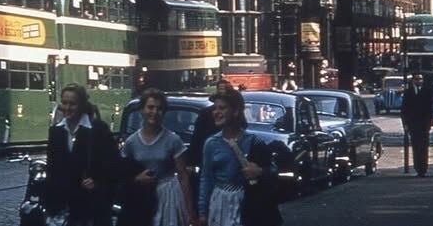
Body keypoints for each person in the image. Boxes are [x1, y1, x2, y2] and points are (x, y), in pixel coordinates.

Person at [196, 88, 279, 226]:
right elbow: (206, 179)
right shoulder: (211, 143)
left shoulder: (253, 141)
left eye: (222, 108)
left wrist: (259, 172)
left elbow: (274, 170)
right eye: (215, 108)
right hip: (220, 203)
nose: (216, 112)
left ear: (235, 111)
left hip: (247, 204)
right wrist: (203, 213)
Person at [44, 83, 117, 226]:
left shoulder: (98, 130)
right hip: (65, 206)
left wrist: (97, 181)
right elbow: (52, 169)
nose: (67, 108)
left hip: (91, 205)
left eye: (72, 104)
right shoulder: (56, 132)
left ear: (82, 105)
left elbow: (113, 163)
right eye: (64, 103)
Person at [117, 88, 192, 226]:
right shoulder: (131, 142)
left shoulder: (173, 140)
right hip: (141, 198)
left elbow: (183, 176)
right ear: (142, 110)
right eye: (150, 107)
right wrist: (135, 178)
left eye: (159, 109)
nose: (154, 112)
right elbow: (122, 173)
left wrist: (189, 212)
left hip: (167, 197)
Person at [400, 72, 433, 177]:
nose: (420, 81)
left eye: (421, 79)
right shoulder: (408, 92)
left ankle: (423, 168)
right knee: (415, 146)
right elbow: (404, 109)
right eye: (417, 79)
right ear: (413, 80)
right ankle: (417, 167)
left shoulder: (427, 91)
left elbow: (430, 108)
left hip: (424, 123)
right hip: (413, 123)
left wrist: (430, 122)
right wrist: (405, 123)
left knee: (424, 146)